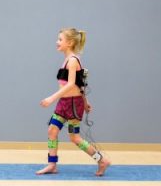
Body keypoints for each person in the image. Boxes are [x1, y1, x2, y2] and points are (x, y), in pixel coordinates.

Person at [36, 28, 110, 176]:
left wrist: (51, 98)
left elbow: (71, 85)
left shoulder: (73, 61)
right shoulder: (67, 60)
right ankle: (52, 164)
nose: (57, 42)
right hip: (64, 104)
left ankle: (101, 160)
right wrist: (86, 100)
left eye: (60, 40)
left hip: (73, 105)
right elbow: (80, 83)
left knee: (75, 138)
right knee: (52, 130)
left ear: (69, 43)